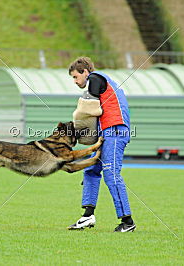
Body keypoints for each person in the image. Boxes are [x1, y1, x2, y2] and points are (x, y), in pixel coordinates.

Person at [67, 57, 136, 232]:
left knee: (111, 175)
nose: (75, 82)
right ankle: (87, 216)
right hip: (107, 133)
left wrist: (74, 131)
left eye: (75, 77)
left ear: (85, 72)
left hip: (115, 131)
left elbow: (85, 110)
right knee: (90, 170)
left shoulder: (95, 79)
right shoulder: (99, 82)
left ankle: (127, 222)